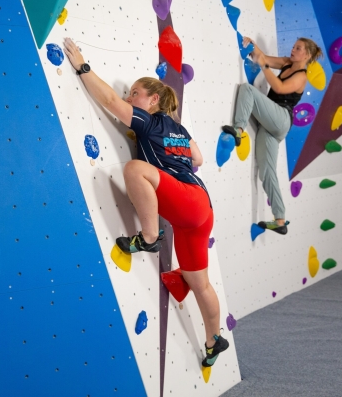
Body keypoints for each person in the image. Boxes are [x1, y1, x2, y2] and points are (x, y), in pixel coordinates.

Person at [63, 38, 228, 368]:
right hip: (200, 210)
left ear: (153, 100)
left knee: (136, 169)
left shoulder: (148, 121)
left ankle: (149, 239)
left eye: (135, 94)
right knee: (201, 284)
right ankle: (213, 340)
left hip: (187, 202)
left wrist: (82, 66)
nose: (129, 99)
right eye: (130, 95)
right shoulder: (178, 128)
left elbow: (109, 99)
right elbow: (197, 157)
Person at [223, 37, 323, 235]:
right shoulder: (287, 62)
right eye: (294, 46)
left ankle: (239, 129)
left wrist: (264, 66)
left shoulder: (302, 76)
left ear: (307, 55)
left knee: (247, 90)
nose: (293, 50)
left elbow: (279, 87)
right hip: (271, 125)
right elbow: (265, 58)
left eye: (298, 48)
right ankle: (280, 219)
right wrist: (253, 46)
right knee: (267, 171)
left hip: (281, 118)